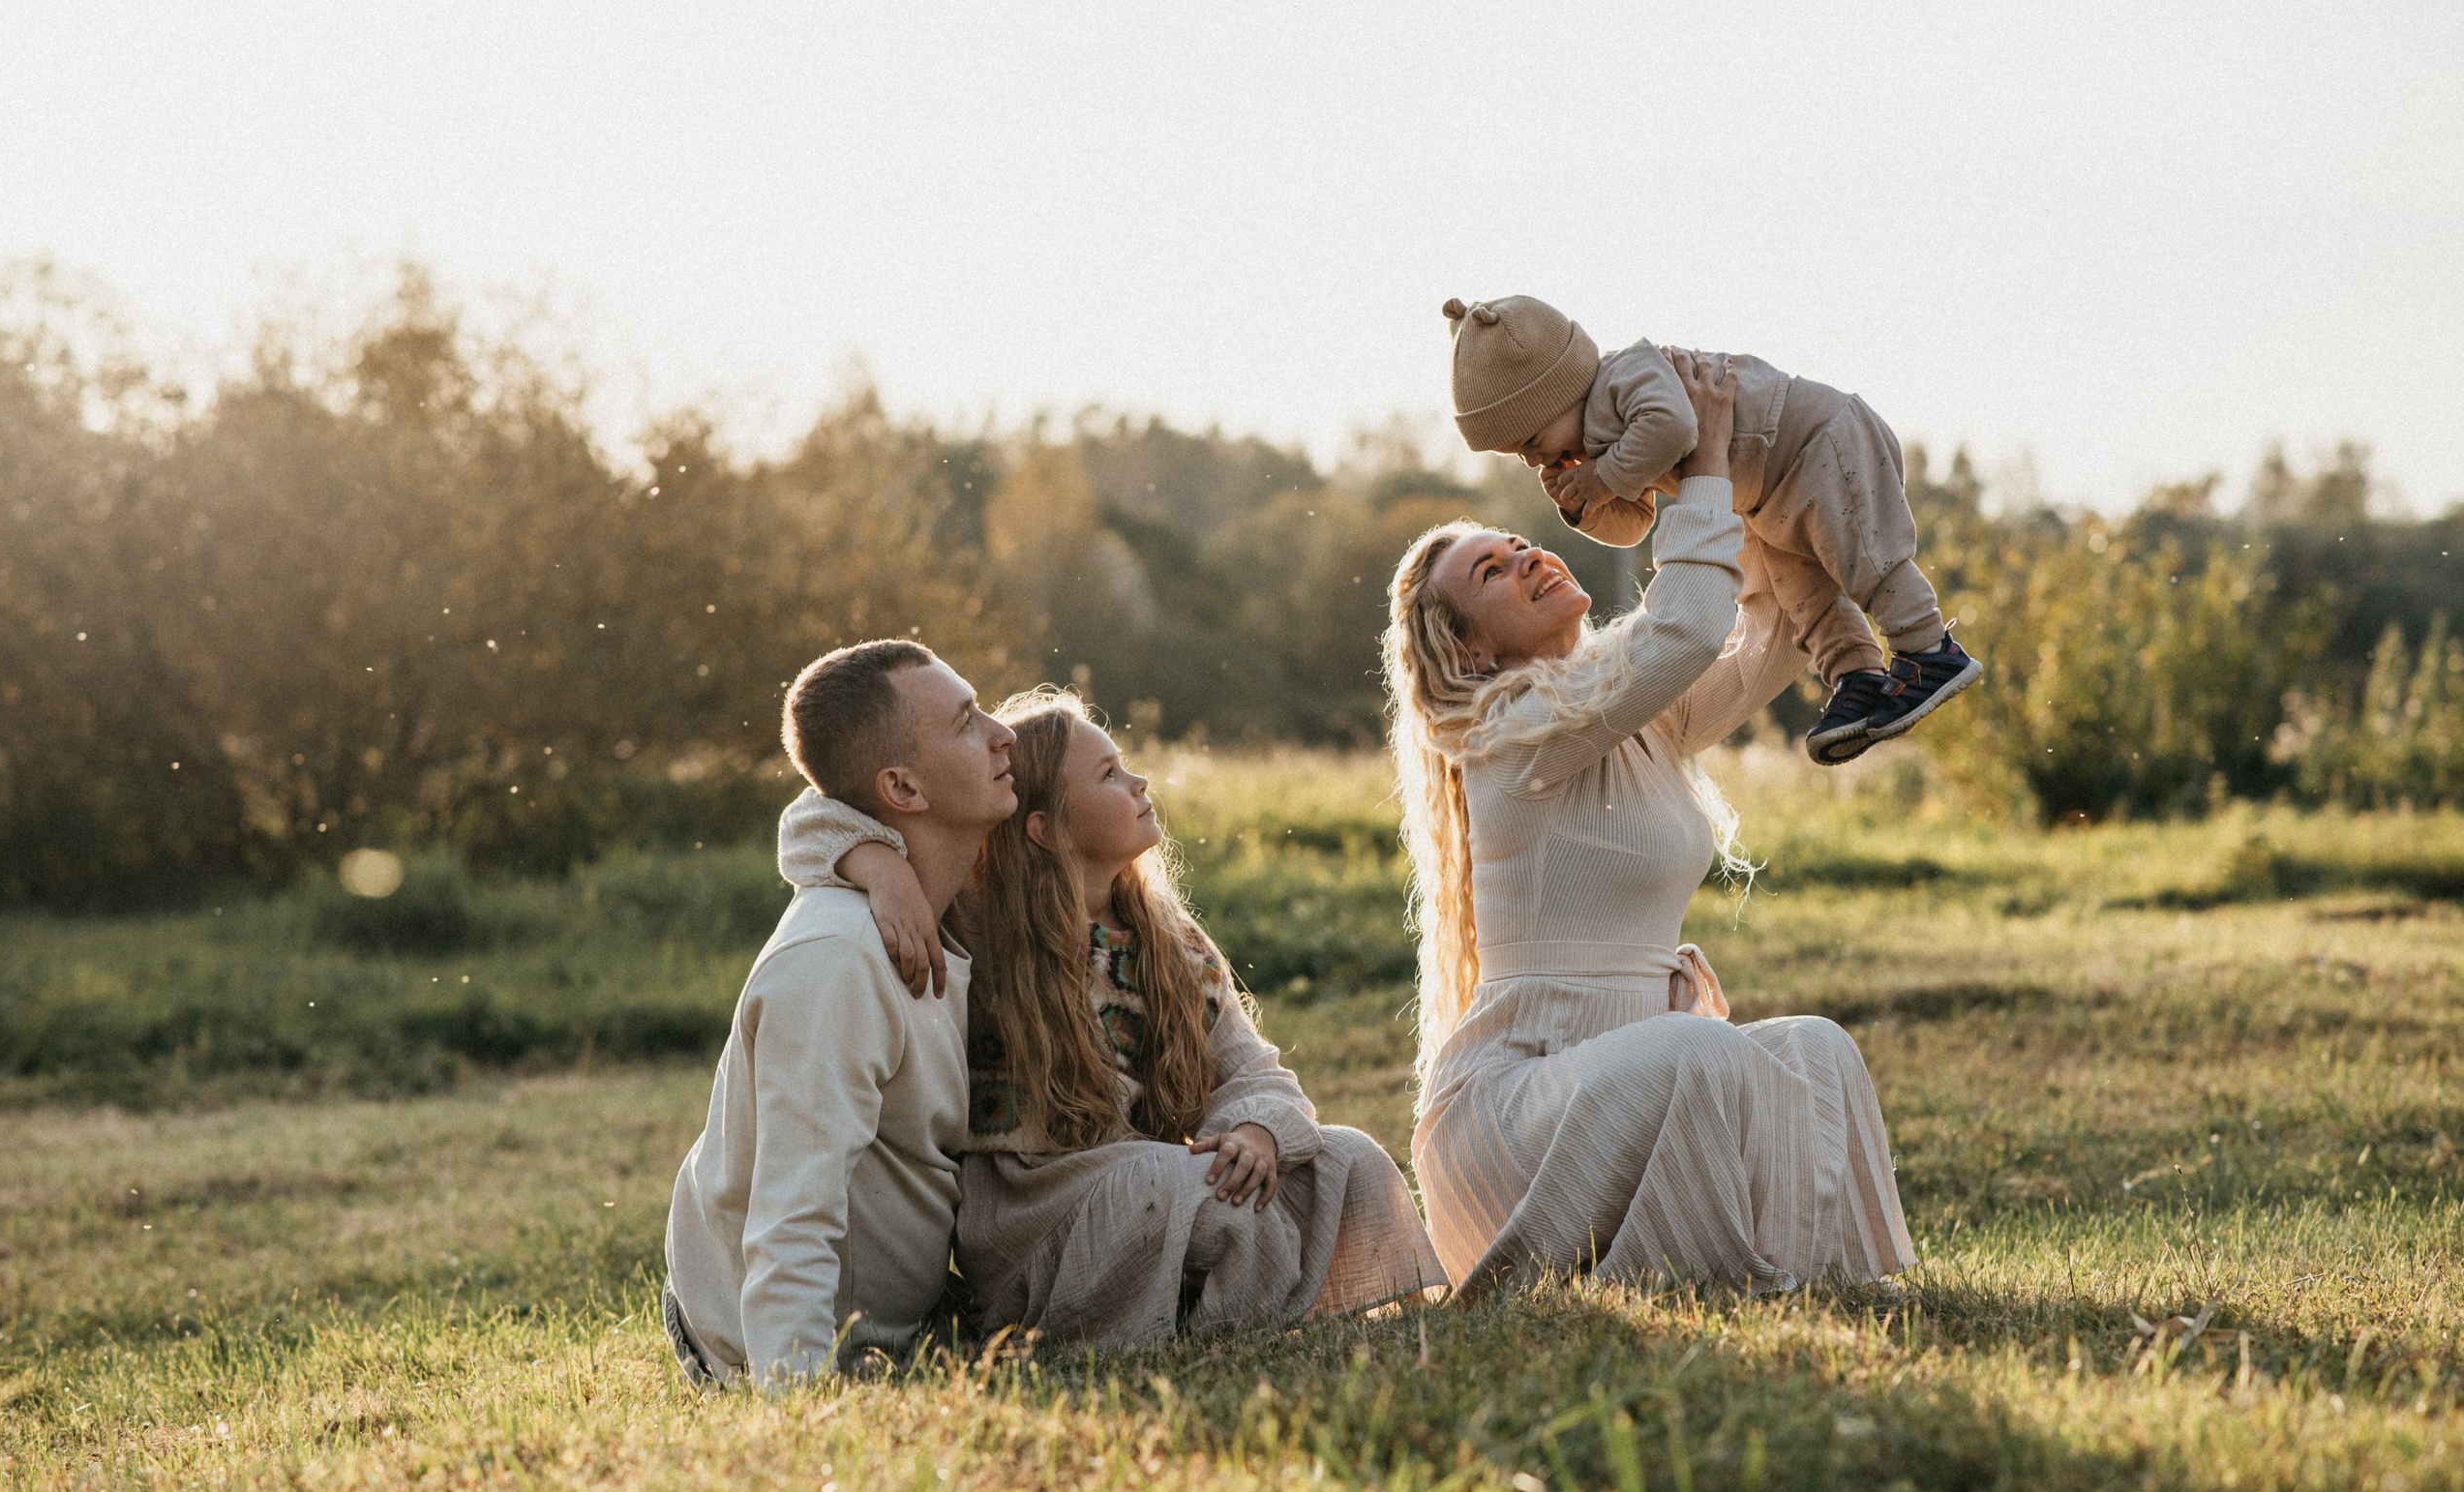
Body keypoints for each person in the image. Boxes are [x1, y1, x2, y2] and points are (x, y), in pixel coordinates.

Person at [1386, 349, 1917, 1302]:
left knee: (1814, 1047)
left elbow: (1768, 628)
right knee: (1702, 1047)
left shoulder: (1628, 709)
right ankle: (1720, 1281)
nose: (1531, 557)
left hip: (1627, 1082)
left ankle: (1822, 1280)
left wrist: (1758, 478)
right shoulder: (1508, 733)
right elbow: (1683, 624)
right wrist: (1702, 461)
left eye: (1521, 543)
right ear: (1468, 648)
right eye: (1494, 573)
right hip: (1511, 1116)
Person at [785, 690, 1447, 1349]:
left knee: (1348, 1157)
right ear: (1045, 826)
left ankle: (1251, 1303)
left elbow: (1253, 1066)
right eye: (1108, 774)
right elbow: (810, 820)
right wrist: (882, 869)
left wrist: (1254, 1130)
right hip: (1036, 1209)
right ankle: (1221, 1327)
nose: (1140, 782)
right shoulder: (981, 918)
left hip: (1151, 1178)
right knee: (1176, 1186)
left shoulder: (1168, 938)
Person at [661, 640, 1016, 1388]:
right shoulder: (838, 960)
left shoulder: (957, 900)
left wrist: (869, 852)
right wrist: (794, 1405)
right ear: (903, 787)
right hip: (764, 1341)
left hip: (909, 1316)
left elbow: (818, 805)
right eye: (964, 724)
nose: (1001, 733)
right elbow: (793, 1212)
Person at [1441, 292, 1981, 765]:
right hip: (1767, 498)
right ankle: (1856, 677)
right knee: (1804, 597)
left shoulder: (1626, 375)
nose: (1535, 459)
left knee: (1867, 559)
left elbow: (1673, 427)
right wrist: (1585, 505)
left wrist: (1601, 476)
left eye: (1531, 440)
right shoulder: (1604, 445)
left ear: (1558, 390)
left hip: (1818, 441)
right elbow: (1636, 524)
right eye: (1521, 455)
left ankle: (1927, 649)